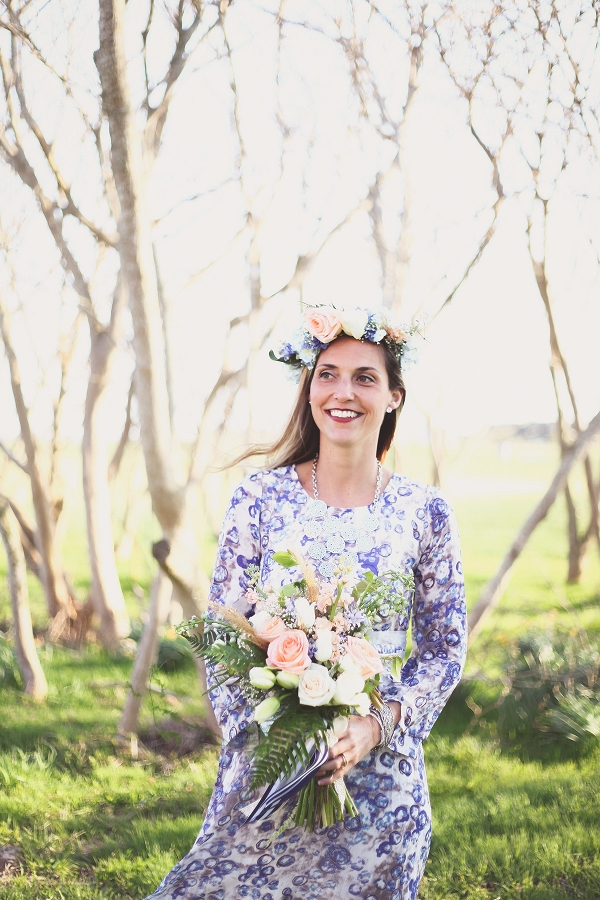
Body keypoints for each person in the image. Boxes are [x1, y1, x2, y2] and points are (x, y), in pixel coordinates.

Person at [145, 306, 467, 900]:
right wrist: (279, 736)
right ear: (309, 386)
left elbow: (446, 650)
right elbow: (225, 635)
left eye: (365, 377)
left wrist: (377, 725)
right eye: (328, 374)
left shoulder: (426, 511)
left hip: (382, 777)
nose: (343, 392)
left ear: (394, 396)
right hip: (269, 766)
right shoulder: (258, 499)